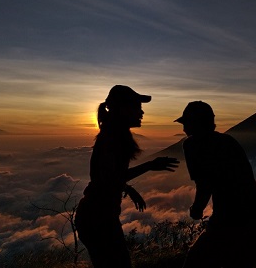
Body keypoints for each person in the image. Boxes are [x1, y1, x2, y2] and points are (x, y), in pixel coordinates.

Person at [75, 85, 179, 268]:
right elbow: (108, 178)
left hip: (96, 215)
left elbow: (106, 176)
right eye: (137, 107)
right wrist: (150, 166)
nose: (142, 112)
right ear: (123, 109)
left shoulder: (113, 135)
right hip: (98, 218)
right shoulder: (113, 138)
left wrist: (128, 189)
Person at [175, 101, 256, 268]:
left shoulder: (193, 145)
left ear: (197, 123)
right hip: (252, 218)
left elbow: (204, 183)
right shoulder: (228, 141)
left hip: (229, 220)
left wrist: (197, 208)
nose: (184, 129)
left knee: (195, 262)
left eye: (186, 123)